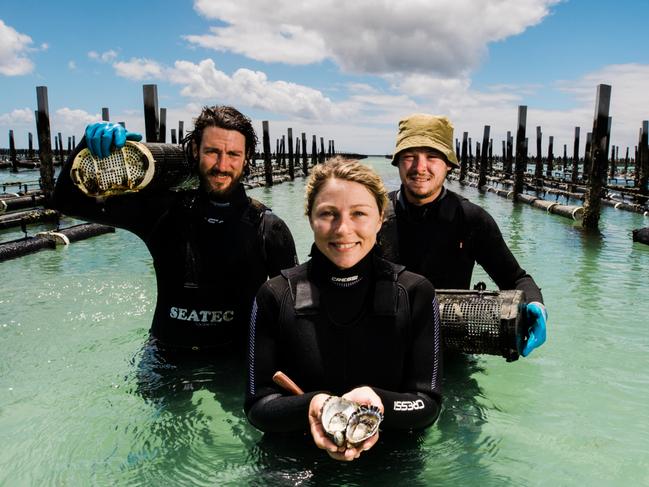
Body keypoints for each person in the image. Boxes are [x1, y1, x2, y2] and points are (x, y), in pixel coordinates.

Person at [53, 105, 298, 354]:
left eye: (233, 154)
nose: (222, 165)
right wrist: (85, 146)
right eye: (212, 151)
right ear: (195, 150)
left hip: (236, 362)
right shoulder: (161, 213)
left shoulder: (268, 228)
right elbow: (66, 202)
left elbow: (294, 313)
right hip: (165, 358)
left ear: (247, 157)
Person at [245, 157, 442, 462]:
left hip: (389, 462)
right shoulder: (275, 295)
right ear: (310, 217)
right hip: (296, 461)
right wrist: (311, 406)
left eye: (359, 213)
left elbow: (427, 404)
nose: (343, 228)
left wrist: (379, 404)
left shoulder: (414, 292)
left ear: (380, 219)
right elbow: (258, 406)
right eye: (328, 214)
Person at [378, 113, 547, 358]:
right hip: (385, 345)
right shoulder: (373, 214)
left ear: (449, 164)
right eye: (409, 156)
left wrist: (535, 304)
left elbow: (516, 278)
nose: (419, 167)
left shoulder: (471, 219)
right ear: (397, 162)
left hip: (451, 348)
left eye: (432, 157)